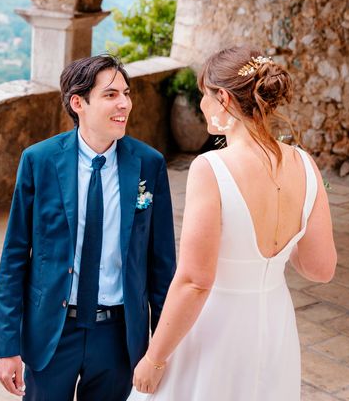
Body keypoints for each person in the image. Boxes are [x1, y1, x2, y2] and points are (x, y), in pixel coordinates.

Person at [129, 46, 337, 400]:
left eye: (204, 97)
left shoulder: (212, 168)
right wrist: (286, 239)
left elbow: (195, 281)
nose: (202, 105)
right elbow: (321, 268)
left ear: (223, 98)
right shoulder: (304, 164)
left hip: (217, 329)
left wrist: (155, 358)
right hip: (274, 327)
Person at [0, 54, 177, 401]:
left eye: (126, 93)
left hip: (119, 335)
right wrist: (6, 346)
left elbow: (162, 266)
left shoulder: (148, 164)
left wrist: (162, 351)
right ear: (78, 103)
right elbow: (14, 257)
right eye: (110, 95)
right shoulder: (39, 161)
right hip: (52, 330)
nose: (124, 103)